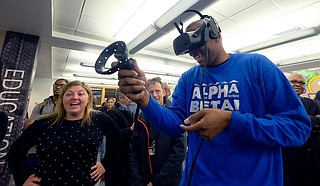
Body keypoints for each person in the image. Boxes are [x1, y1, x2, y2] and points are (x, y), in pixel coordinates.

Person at [117, 14, 311, 185]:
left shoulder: (257, 66)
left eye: (198, 44)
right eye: (189, 49)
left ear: (216, 35)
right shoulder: (188, 78)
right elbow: (176, 125)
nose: (193, 52)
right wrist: (144, 99)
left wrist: (231, 120)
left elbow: (298, 128)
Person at [8, 80, 119, 186]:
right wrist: (23, 179)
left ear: (88, 99)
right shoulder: (44, 124)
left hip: (85, 183)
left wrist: (105, 163)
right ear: (62, 99)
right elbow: (16, 151)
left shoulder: (100, 119)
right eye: (69, 94)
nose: (75, 97)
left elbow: (118, 140)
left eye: (80, 94)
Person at [130, 77, 186, 186]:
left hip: (168, 181)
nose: (155, 95)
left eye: (158, 91)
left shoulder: (175, 117)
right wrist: (137, 180)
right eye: (151, 92)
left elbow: (178, 153)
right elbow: (133, 150)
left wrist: (156, 182)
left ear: (164, 92)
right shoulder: (140, 118)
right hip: (144, 179)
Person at [24, 78, 69, 174]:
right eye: (56, 85)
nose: (58, 87)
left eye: (61, 85)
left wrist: (41, 121)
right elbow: (29, 126)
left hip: (60, 152)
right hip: (36, 151)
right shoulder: (41, 106)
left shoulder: (69, 107)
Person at [282, 72, 320, 186]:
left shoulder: (311, 104)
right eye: (294, 82)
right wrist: (312, 119)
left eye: (301, 83)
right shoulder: (277, 102)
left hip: (310, 155)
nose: (298, 84)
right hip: (288, 155)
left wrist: (300, 120)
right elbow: (284, 121)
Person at [100, 89, 135, 186]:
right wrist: (130, 129)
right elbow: (113, 135)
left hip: (126, 156)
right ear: (120, 98)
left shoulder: (129, 111)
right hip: (116, 157)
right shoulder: (113, 113)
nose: (131, 98)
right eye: (128, 95)